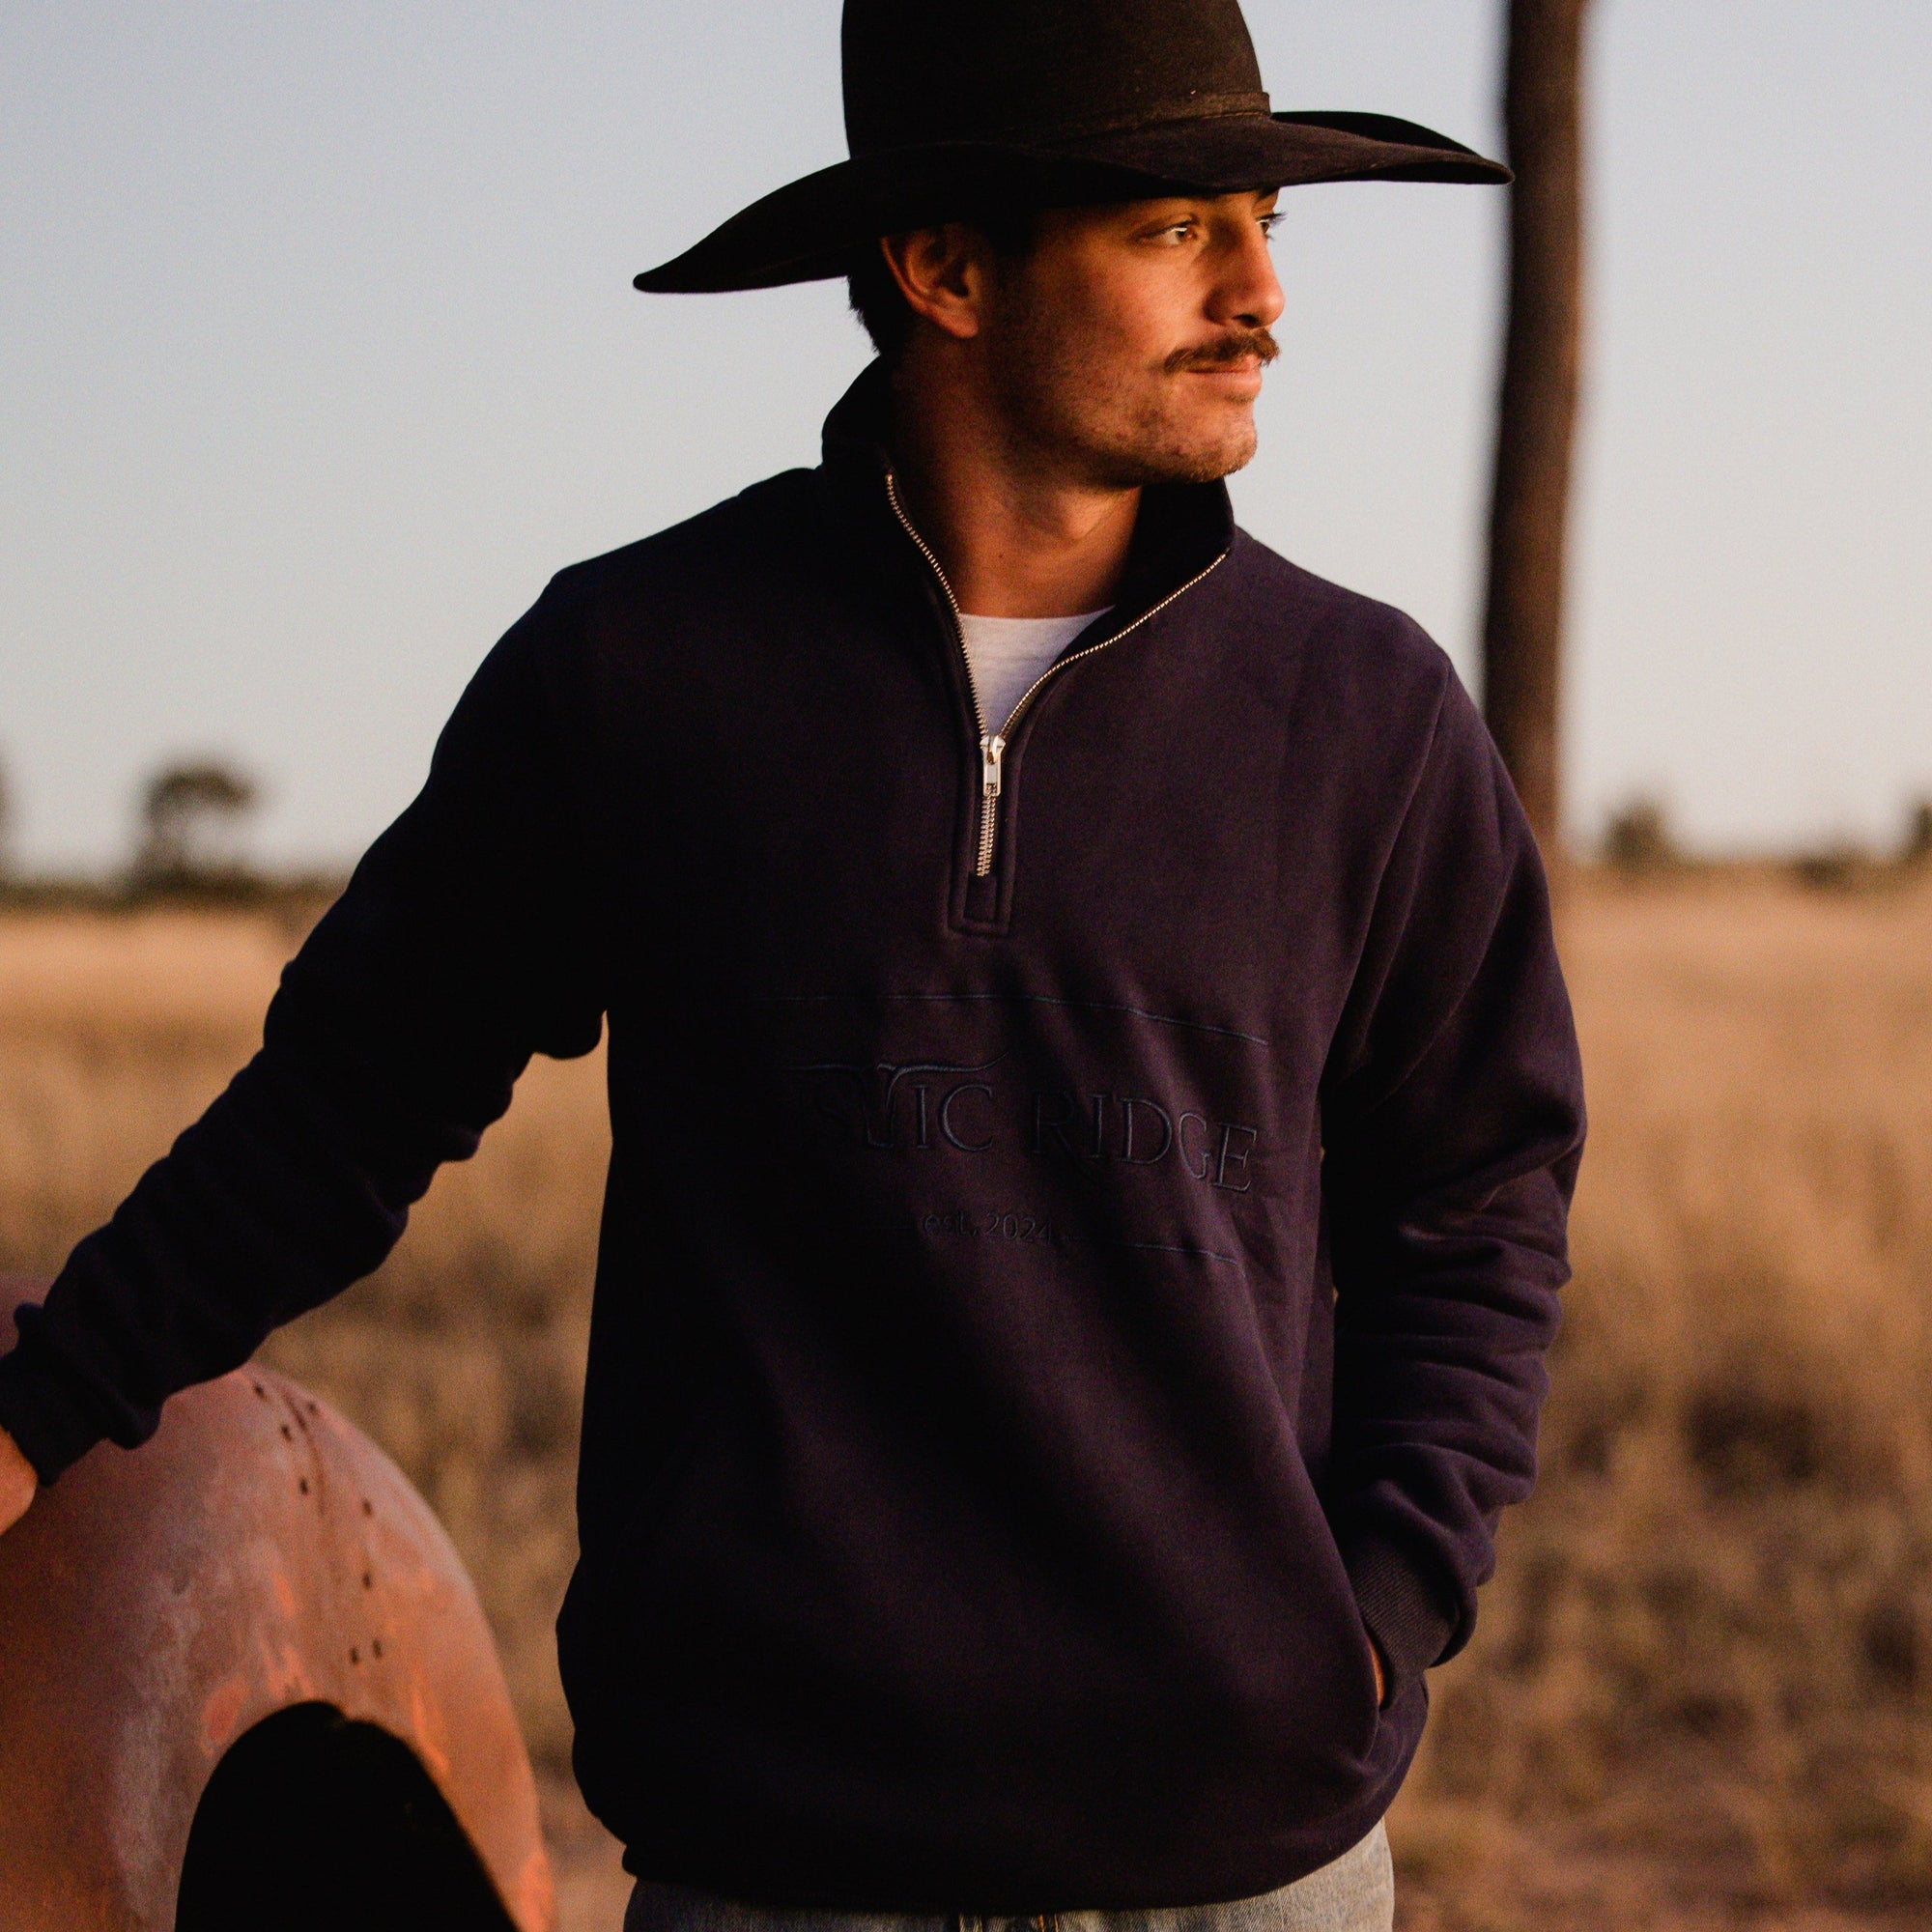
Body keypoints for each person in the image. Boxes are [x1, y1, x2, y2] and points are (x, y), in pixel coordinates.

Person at [0, 4, 1585, 1928]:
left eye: (1262, 222)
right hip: (781, 1864)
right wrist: (37, 1408)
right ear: (942, 269)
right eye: (1178, 230)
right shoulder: (639, 677)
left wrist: (1378, 1609)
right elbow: (340, 1113)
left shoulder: (1365, 716)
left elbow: (1479, 1195)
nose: (1263, 293)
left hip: (1246, 1863)